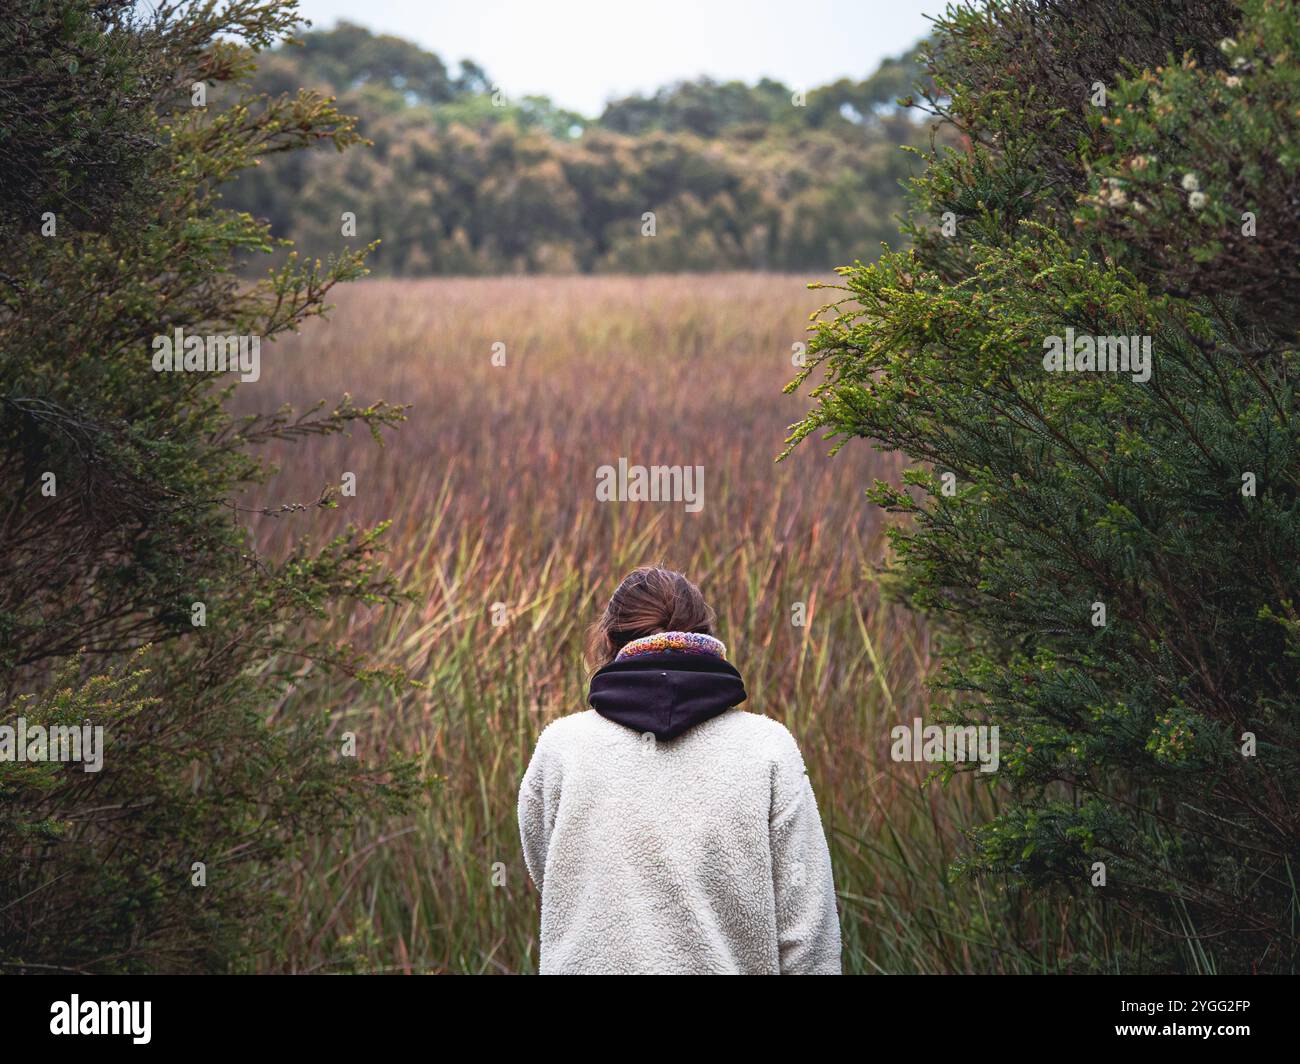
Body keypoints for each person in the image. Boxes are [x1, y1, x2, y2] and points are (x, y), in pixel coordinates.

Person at [517, 565, 842, 974]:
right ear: (707, 640)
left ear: (608, 641)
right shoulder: (768, 749)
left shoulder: (562, 748)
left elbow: (556, 878)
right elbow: (808, 933)